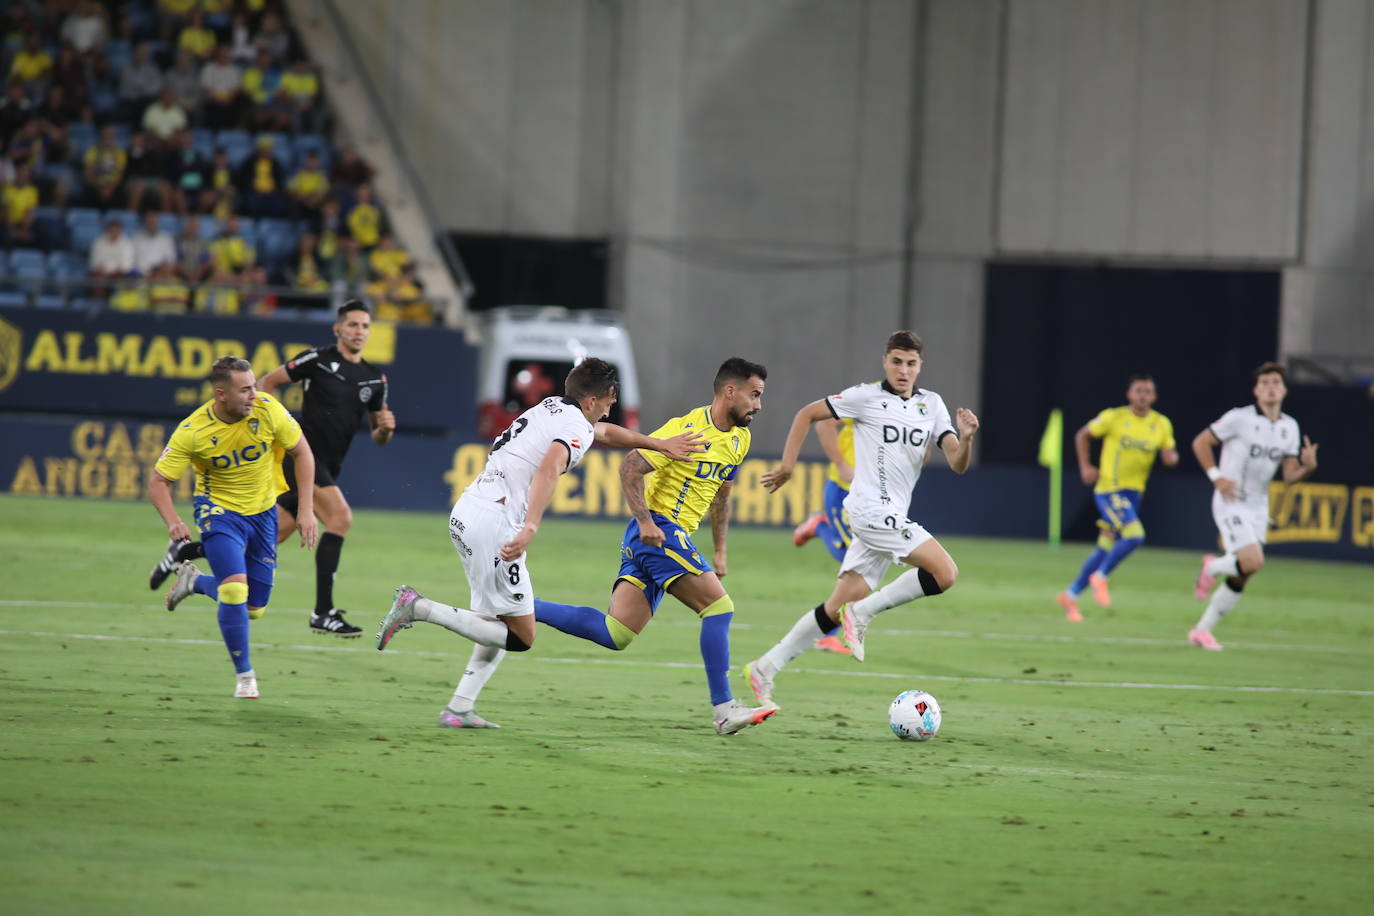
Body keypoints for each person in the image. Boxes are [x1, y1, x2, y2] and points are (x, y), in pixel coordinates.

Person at [374, 359, 734, 731]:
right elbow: (549, 468)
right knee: (521, 636)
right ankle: (418, 607)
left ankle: (460, 707)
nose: (612, 407)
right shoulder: (574, 426)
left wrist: (657, 443)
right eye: (611, 400)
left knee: (503, 617)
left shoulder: (554, 407)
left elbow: (605, 434)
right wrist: (530, 526)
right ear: (595, 399)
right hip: (497, 526)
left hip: (470, 511)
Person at [743, 331, 979, 708]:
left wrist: (965, 439)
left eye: (911, 363)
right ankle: (864, 612)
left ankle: (764, 668)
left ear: (920, 366)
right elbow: (807, 414)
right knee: (945, 573)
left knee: (834, 607)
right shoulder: (866, 397)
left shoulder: (932, 405)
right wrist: (788, 465)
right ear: (885, 361)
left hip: (890, 516)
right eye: (897, 361)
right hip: (869, 510)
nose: (903, 370)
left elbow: (957, 463)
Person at [149, 301, 394, 639]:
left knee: (269, 538)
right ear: (338, 329)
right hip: (301, 457)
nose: (359, 332)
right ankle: (323, 612)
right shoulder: (316, 360)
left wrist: (385, 430)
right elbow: (269, 381)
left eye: (365, 326)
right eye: (352, 325)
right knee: (340, 518)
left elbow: (379, 435)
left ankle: (188, 556)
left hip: (326, 466)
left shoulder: (374, 378)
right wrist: (260, 422)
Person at [151, 356, 318, 699]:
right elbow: (158, 481)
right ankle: (245, 676)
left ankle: (194, 581)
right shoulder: (193, 430)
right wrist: (174, 522)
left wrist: (306, 511)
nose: (254, 394)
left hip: (263, 514)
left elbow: (302, 453)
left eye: (255, 385)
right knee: (234, 592)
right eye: (245, 389)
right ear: (221, 394)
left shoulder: (268, 410)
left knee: (255, 608)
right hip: (219, 513)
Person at [1188, 362, 1318, 650]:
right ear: (1256, 390)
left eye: (1276, 382)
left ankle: (1201, 630)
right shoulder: (1239, 418)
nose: (1271, 387)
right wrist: (1216, 477)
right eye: (1265, 383)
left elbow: (1289, 477)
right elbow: (1200, 442)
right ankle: (1211, 567)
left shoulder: (1289, 427)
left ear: (1284, 389)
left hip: (1259, 506)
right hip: (1231, 500)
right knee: (1253, 561)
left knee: (1244, 573)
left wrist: (1307, 468)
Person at [1056, 375, 1178, 622]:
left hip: (1134, 494)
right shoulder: (1115, 417)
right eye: (1138, 390)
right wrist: (1085, 467)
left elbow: (1169, 452)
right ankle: (1101, 577)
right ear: (1130, 394)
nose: (1143, 395)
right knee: (1135, 535)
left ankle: (1071, 595)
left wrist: (1171, 458)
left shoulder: (1161, 424)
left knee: (1105, 547)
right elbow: (1082, 435)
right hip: (1110, 489)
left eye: (1148, 391)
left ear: (1153, 397)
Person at [790, 416, 856, 654]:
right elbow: (823, 423)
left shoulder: (921, 408)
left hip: (876, 497)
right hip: (845, 491)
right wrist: (841, 464)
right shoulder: (869, 396)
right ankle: (828, 635)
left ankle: (819, 526)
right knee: (856, 564)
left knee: (861, 563)